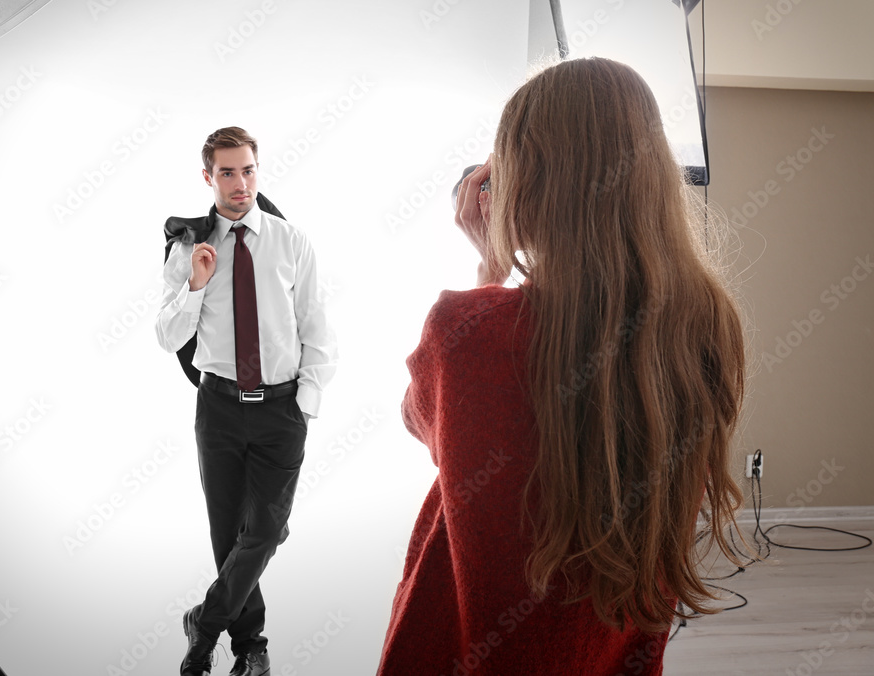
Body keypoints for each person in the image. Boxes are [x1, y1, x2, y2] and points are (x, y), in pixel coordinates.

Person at [377, 57, 747, 675]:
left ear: (525, 182)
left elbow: (427, 425)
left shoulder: (470, 329)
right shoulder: (705, 323)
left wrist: (488, 274)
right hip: (610, 646)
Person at [156, 126, 337, 676]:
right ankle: (251, 647)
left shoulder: (291, 240)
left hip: (282, 408)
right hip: (219, 409)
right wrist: (196, 285)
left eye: (249, 170)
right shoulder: (190, 246)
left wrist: (305, 404)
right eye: (228, 173)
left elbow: (317, 327)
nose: (241, 183)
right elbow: (166, 336)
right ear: (208, 177)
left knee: (264, 531)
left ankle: (203, 627)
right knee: (228, 534)